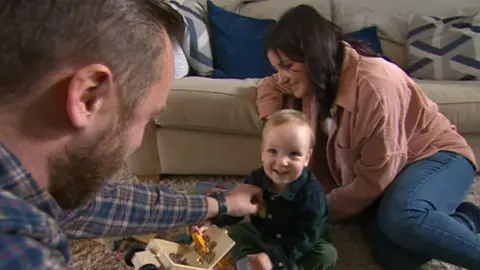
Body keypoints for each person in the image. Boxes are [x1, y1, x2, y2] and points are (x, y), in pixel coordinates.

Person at [0, 1, 263, 269]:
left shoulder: (33, 183)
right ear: (89, 97)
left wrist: (220, 203)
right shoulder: (22, 252)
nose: (139, 141)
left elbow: (97, 207)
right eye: (146, 117)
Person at [256, 4, 480, 270]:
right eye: (278, 67)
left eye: (287, 66)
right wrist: (274, 125)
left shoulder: (375, 85)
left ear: (314, 55)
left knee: (401, 218)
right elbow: (269, 85)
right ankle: (466, 220)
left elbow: (372, 181)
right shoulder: (315, 77)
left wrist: (312, 210)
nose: (283, 76)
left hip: (437, 157)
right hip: (390, 174)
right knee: (394, 254)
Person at [196, 109, 337, 270]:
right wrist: (212, 222)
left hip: (298, 244)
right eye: (272, 151)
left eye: (294, 154)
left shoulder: (313, 193)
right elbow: (236, 209)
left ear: (307, 158)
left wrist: (274, 259)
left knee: (326, 254)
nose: (282, 161)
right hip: (264, 235)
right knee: (237, 232)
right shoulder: (256, 179)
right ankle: (250, 264)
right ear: (262, 152)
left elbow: (307, 236)